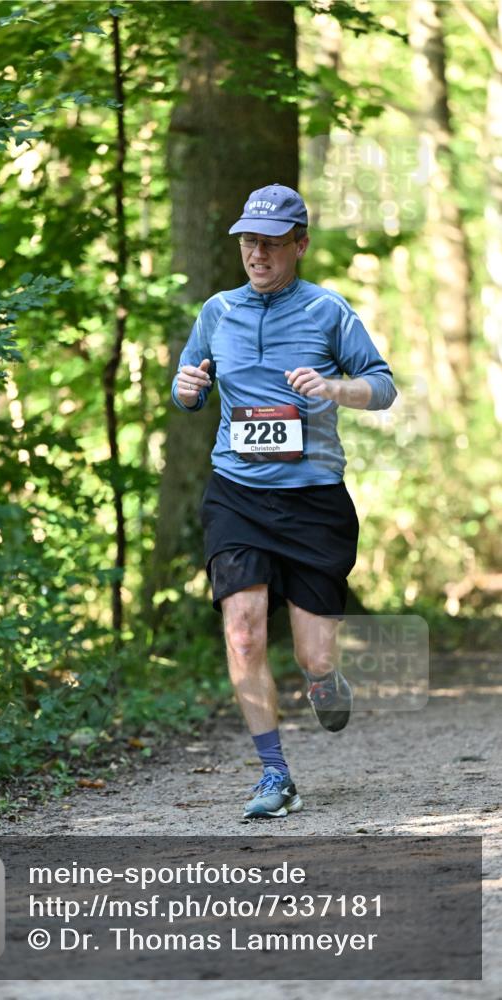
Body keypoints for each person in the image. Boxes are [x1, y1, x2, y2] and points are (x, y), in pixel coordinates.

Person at [171, 183, 397, 820]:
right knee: (242, 631)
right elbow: (188, 390)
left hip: (314, 500)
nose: (257, 254)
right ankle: (275, 774)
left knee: (312, 655)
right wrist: (187, 388)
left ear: (299, 244)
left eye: (271, 243)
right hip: (237, 494)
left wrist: (331, 387)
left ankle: (324, 679)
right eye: (249, 242)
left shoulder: (328, 311)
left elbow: (382, 388)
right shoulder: (217, 312)